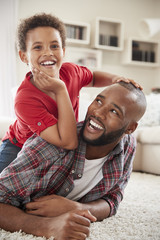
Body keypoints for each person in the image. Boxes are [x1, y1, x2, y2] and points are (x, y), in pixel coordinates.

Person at [0, 81, 146, 240]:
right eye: (98, 100)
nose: (98, 112)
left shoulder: (127, 145)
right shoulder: (50, 147)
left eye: (113, 111)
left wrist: (77, 208)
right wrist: (46, 226)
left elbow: (113, 199)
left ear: (129, 129)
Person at [0, 13, 141, 172]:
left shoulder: (71, 72)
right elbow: (68, 142)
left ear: (63, 50)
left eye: (54, 46)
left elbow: (93, 77)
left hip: (56, 144)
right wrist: (60, 89)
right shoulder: (25, 99)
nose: (48, 52)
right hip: (18, 146)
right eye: (38, 47)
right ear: (24, 56)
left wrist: (116, 78)